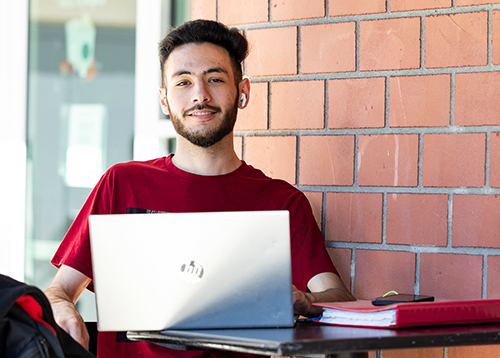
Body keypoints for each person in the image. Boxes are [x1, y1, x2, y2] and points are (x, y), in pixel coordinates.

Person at [44, 19, 355, 358]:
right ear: (164, 100)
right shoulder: (121, 185)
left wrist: (304, 300)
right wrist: (61, 310)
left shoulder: (282, 201)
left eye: (215, 79)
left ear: (243, 92)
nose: (200, 95)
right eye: (184, 82)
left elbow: (338, 297)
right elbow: (60, 291)